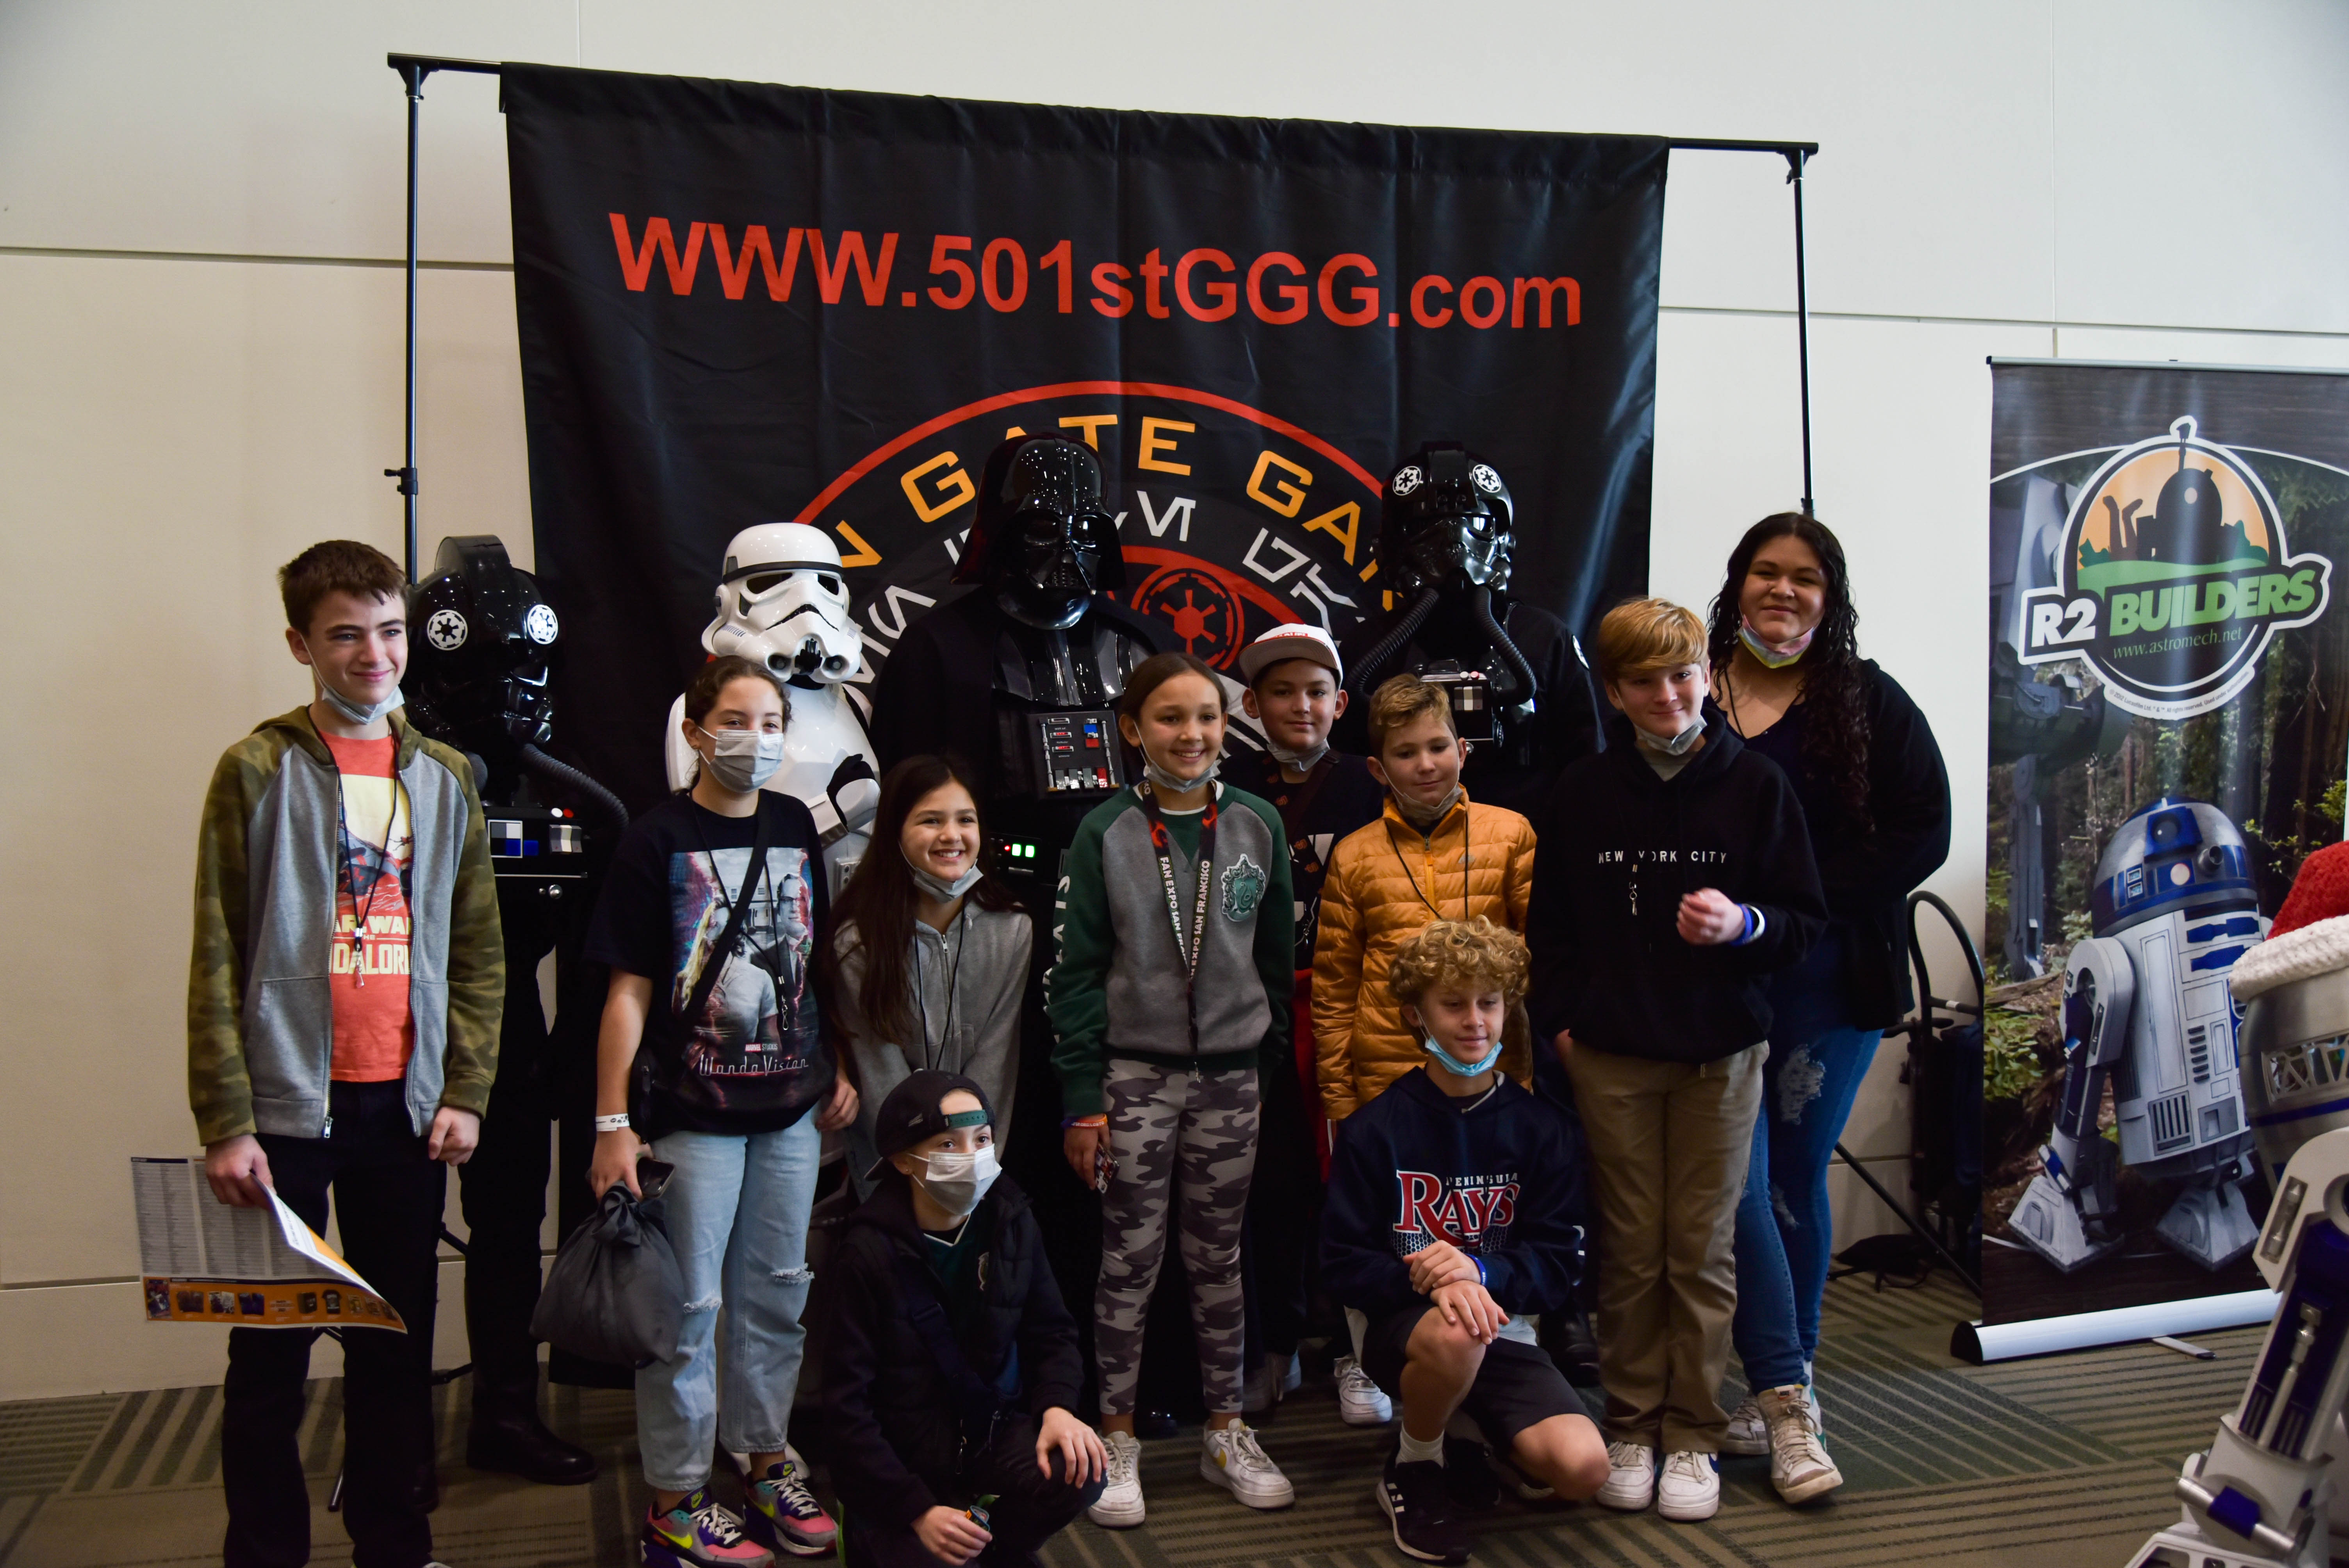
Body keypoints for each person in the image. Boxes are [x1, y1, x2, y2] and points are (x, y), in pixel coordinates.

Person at [188, 539, 503, 1568]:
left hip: (405, 1112)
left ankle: (394, 1547)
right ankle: (264, 1554)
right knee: (268, 1361)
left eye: (390, 631)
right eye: (345, 636)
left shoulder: (445, 777)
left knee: (393, 1350)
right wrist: (226, 1122)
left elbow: (478, 953)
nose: (374, 654)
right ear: (301, 645)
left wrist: (465, 1089)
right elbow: (217, 950)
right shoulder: (256, 769)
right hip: (286, 1115)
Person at [1525, 597, 1827, 1525]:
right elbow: (1550, 930)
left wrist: (1743, 924)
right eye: (1645, 680)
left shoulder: (1757, 785)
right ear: (1614, 692)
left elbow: (1803, 922)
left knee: (1698, 1250)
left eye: (1683, 673)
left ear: (1705, 675)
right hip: (1610, 1054)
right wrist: (1566, 1028)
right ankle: (1630, 1426)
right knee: (1628, 1248)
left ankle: (1691, 1433)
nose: (1668, 694)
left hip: (1719, 1056)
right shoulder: (1580, 791)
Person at [585, 655, 861, 1568]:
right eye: (736, 721)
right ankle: (674, 1496)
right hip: (692, 1113)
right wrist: (611, 1123)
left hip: (789, 1109)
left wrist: (836, 1061)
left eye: (771, 722)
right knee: (692, 1308)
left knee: (779, 1291)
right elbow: (628, 990)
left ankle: (765, 1458)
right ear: (696, 732)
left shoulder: (793, 824)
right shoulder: (656, 838)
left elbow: (812, 959)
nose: (756, 738)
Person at [1706, 514, 1950, 1496]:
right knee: (1731, 1185)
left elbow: (1923, 831)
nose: (1782, 589)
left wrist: (1798, 902)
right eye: (1765, 571)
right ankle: (1766, 1378)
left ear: (1829, 595)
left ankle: (1788, 1382)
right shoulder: (1688, 688)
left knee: (1786, 1181)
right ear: (1736, 582)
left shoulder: (1868, 700)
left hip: (1829, 977)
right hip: (1711, 981)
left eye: (1804, 577)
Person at [1048, 650, 1298, 1525]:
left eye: (1207, 717)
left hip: (1231, 1078)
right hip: (1133, 1078)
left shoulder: (1257, 823)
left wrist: (1259, 1068)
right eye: (1169, 717)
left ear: (1227, 727)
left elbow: (1276, 964)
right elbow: (1076, 976)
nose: (1191, 734)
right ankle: (1116, 1437)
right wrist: (1084, 1098)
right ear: (1132, 729)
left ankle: (1226, 1427)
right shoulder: (1105, 830)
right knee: (1128, 1258)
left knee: (1219, 1258)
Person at [1323, 919, 1610, 1564]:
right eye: (1453, 1004)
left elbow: (1559, 1266)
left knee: (1583, 1470)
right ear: (1416, 1016)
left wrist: (1479, 1271)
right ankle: (1416, 1463)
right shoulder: (1375, 1130)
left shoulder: (1543, 1129)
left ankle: (1465, 1430)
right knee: (1457, 1331)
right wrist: (1430, 1278)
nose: (1475, 1021)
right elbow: (1341, 1266)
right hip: (1404, 1331)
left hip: (1501, 1329)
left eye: (1489, 1002)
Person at [1312, 672, 1541, 1427]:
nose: (1425, 764)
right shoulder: (1355, 855)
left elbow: (1536, 963)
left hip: (1489, 1076)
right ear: (1378, 768)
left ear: (1463, 750)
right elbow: (1335, 984)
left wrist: (1523, 1075)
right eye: (1405, 753)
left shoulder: (1512, 834)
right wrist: (1339, 1097)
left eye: (1438, 746)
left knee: (1484, 1213)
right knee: (1388, 1225)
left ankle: (1494, 1341)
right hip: (1386, 1076)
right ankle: (1366, 1352)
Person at [820, 1071, 1108, 1567]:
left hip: (984, 1436)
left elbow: (1052, 1332)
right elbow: (847, 1411)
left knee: (1082, 1466)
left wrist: (1058, 1407)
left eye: (982, 1139)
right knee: (926, 1553)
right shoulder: (865, 1254)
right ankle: (887, 1534)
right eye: (948, 1143)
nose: (972, 1156)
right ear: (903, 1159)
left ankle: (989, 1542)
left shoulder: (1011, 1219)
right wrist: (917, 1510)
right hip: (902, 1465)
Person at [1220, 624, 1387, 1416]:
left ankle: (1358, 1347)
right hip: (1257, 1014)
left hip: (1350, 1008)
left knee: (1354, 1177)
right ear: (1251, 705)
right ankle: (1275, 1343)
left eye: (1316, 691)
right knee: (1270, 1184)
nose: (1300, 706)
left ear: (1340, 703)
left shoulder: (1370, 781)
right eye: (1281, 692)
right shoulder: (1227, 786)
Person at [820, 755, 1034, 1197]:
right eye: (931, 820)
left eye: (965, 820)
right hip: (892, 1160)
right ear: (894, 832)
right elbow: (878, 1069)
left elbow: (997, 1059)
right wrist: (922, 1162)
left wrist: (973, 1157)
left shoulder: (1012, 929)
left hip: (975, 1159)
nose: (952, 835)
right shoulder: (858, 941)